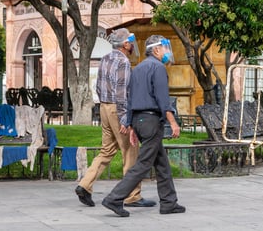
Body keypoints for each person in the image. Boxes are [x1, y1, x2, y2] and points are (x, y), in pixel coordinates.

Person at [101, 35, 185, 217]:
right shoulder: (158, 68)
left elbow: (129, 99)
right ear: (156, 50)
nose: (167, 52)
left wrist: (131, 125)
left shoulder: (137, 68)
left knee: (162, 163)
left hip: (139, 121)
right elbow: (163, 99)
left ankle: (169, 202)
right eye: (165, 48)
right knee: (143, 164)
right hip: (151, 120)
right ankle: (114, 198)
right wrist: (173, 122)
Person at [75, 28, 156, 208]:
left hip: (104, 107)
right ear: (125, 44)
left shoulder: (105, 58)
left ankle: (84, 185)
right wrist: (124, 119)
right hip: (117, 109)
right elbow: (121, 94)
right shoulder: (123, 62)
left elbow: (97, 86)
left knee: (107, 150)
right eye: (131, 41)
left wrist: (106, 107)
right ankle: (132, 195)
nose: (133, 44)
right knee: (130, 151)